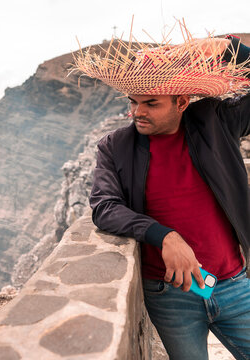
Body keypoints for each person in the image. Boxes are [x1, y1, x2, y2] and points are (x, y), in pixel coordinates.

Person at [74, 32, 250, 360]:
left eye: (151, 103)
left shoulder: (216, 122)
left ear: (181, 102)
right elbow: (104, 207)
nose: (137, 112)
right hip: (169, 296)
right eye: (133, 101)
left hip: (234, 285)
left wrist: (230, 46)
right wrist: (164, 236)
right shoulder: (115, 147)